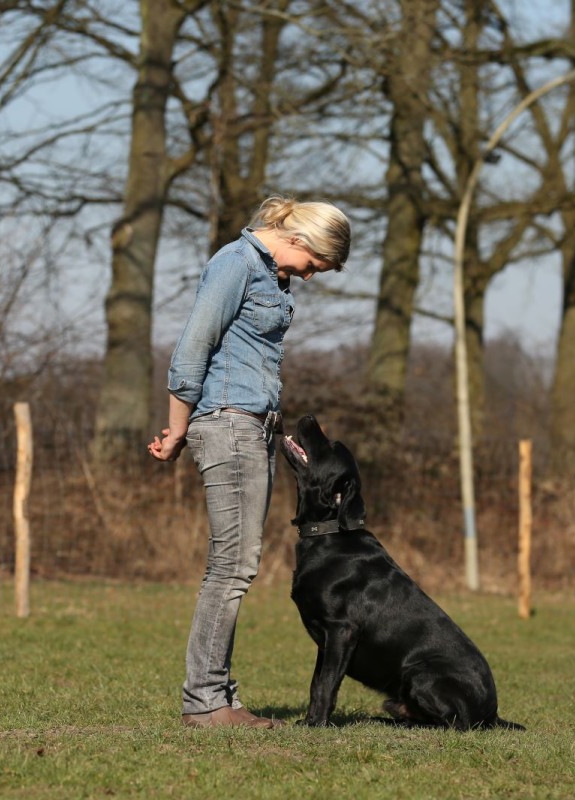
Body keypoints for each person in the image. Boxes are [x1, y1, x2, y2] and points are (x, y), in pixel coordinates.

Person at [148, 195, 351, 728]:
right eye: (314, 266)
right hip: (228, 425)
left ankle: (218, 697)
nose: (308, 277)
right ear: (300, 242)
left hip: (256, 428)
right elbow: (193, 346)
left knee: (237, 565)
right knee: (232, 568)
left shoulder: (269, 275)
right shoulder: (234, 264)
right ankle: (207, 702)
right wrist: (177, 428)